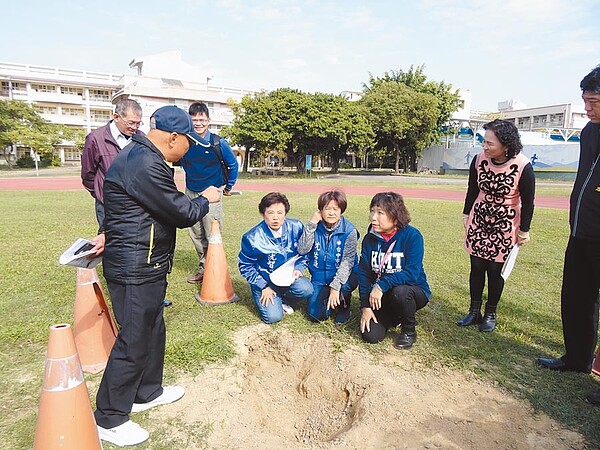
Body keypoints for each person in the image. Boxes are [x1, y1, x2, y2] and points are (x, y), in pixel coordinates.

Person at [89, 105, 220, 447]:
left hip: (149, 263)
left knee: (152, 328)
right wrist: (205, 198)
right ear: (173, 138)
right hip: (134, 266)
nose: (189, 149)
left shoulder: (145, 157)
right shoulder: (144, 162)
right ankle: (109, 416)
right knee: (134, 337)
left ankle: (146, 391)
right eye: (188, 143)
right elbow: (181, 211)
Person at [536, 66, 600, 405]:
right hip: (581, 231)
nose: (586, 108)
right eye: (584, 100)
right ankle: (576, 358)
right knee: (576, 295)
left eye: (592, 101)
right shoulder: (590, 131)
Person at [459, 119, 535, 332]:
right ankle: (474, 312)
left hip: (506, 223)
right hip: (479, 219)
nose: (485, 146)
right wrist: (466, 214)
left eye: (490, 143)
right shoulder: (478, 160)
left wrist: (524, 230)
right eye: (484, 141)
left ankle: (490, 313)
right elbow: (472, 190)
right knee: (476, 267)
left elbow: (529, 202)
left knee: (495, 270)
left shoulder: (522, 165)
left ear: (506, 144)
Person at [359, 192, 431, 349]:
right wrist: (365, 306)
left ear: (395, 215)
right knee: (371, 335)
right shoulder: (369, 238)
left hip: (411, 290)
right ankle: (395, 316)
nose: (373, 217)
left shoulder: (412, 236)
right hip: (382, 297)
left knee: (401, 293)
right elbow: (364, 273)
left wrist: (381, 285)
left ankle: (409, 331)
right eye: (372, 211)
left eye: (380, 213)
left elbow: (412, 273)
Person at [180, 102, 239, 285]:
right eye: (194, 119)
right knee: (196, 234)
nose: (198, 123)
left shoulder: (217, 142)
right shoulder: (185, 140)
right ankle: (204, 269)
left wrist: (227, 187)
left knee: (212, 233)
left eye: (202, 119)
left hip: (212, 194)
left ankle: (216, 272)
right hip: (191, 192)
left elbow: (233, 165)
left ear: (208, 120)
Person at [238, 192, 313, 324]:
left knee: (307, 289)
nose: (275, 218)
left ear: (285, 213)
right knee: (273, 317)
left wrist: (299, 267)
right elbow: (245, 266)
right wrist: (263, 286)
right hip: (265, 281)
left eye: (280, 213)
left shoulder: (296, 227)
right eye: (270, 213)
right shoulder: (251, 237)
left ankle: (284, 300)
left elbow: (304, 252)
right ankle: (268, 297)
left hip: (287, 278)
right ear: (263, 214)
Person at [297, 190, 358, 324]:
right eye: (327, 209)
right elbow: (302, 250)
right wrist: (311, 225)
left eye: (335, 209)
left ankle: (344, 307)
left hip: (345, 274)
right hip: (319, 276)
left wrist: (335, 287)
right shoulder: (315, 227)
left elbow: (347, 263)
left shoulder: (349, 231)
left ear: (341, 210)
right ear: (320, 211)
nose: (331, 213)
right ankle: (328, 302)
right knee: (315, 316)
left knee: (344, 286)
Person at [81, 99, 143, 229]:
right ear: (116, 117)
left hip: (135, 203)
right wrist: (101, 193)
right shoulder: (95, 139)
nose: (134, 128)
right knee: (108, 241)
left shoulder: (141, 137)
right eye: (131, 123)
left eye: (138, 123)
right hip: (107, 205)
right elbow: (88, 174)